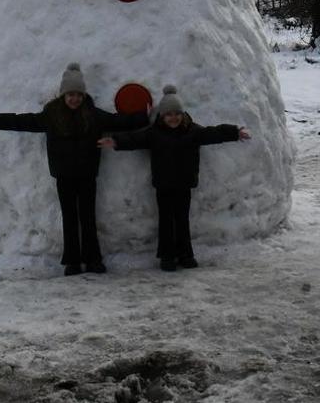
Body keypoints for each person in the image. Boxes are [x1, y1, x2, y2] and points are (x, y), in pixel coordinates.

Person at [0, 63, 146, 275]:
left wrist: (144, 116)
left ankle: (93, 259)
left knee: (88, 217)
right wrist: (0, 121)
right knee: (69, 218)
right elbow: (29, 121)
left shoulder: (93, 114)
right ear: (63, 94)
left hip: (87, 173)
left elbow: (118, 122)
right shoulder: (51, 114)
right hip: (64, 174)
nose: (75, 99)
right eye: (70, 94)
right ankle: (72, 261)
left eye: (78, 94)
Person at [98, 84, 250, 271]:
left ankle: (186, 254)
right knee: (166, 220)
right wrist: (116, 141)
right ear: (162, 115)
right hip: (164, 184)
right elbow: (135, 139)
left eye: (177, 114)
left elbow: (212, 133)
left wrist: (234, 132)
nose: (173, 118)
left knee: (182, 220)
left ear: (183, 114)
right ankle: (167, 256)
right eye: (169, 114)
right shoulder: (154, 133)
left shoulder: (192, 131)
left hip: (184, 183)